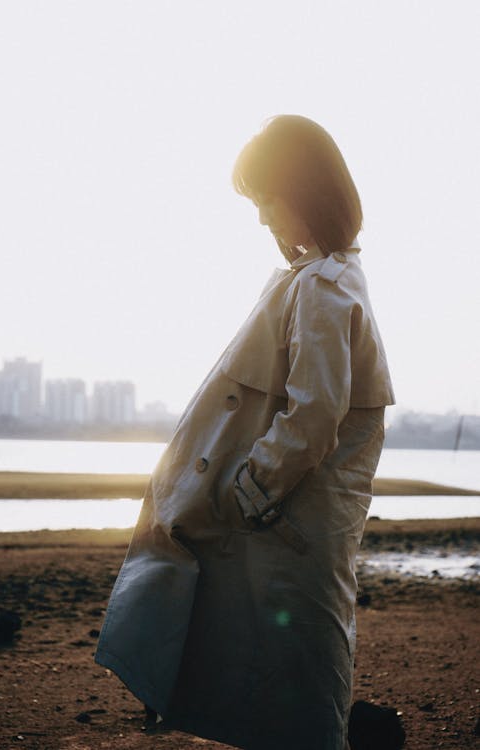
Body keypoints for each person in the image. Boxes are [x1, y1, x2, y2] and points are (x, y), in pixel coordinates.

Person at [95, 115, 395, 750]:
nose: (262, 218)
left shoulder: (323, 286)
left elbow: (315, 416)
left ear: (304, 190)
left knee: (300, 680)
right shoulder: (327, 278)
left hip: (289, 529)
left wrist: (245, 490)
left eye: (265, 198)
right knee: (296, 671)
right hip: (295, 529)